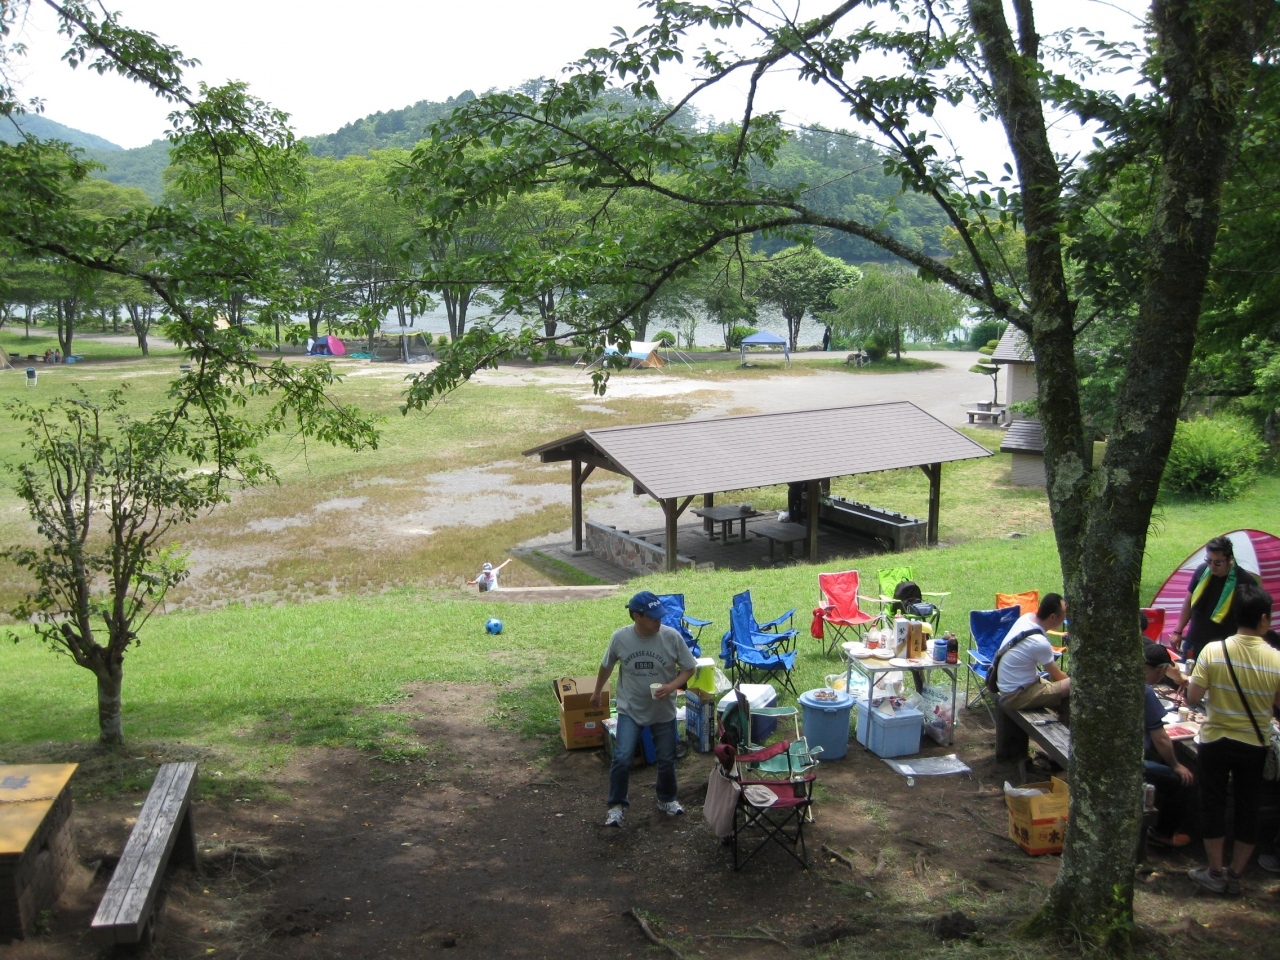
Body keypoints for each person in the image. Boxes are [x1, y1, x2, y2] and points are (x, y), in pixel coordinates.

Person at [1185, 582, 1280, 894]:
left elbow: (1193, 696)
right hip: (1254, 743)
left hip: (1215, 739)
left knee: (1212, 803)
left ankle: (1214, 871)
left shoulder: (1214, 651)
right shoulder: (1276, 660)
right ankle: (1236, 874)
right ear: (1264, 619)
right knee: (1247, 806)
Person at [590, 591, 697, 828]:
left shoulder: (671, 637)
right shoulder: (620, 638)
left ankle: (667, 799)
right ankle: (616, 806)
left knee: (667, 759)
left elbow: (690, 668)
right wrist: (597, 692)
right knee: (622, 757)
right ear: (637, 616)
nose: (659, 620)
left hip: (663, 710)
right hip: (630, 708)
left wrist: (671, 687)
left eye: (660, 615)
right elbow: (606, 665)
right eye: (653, 617)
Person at [1141, 643, 1195, 847]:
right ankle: (1162, 833)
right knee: (1179, 781)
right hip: (1125, 765)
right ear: (1161, 670)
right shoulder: (1145, 692)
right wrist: (1176, 765)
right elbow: (1161, 738)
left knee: (1157, 766)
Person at [1173, 535, 1259, 660]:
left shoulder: (1245, 582)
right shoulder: (1202, 571)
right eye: (1209, 561)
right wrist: (1177, 631)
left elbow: (1250, 620)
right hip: (1195, 641)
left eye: (1218, 562)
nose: (1212, 566)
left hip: (1224, 648)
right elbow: (1188, 601)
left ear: (1230, 559)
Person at [993, 593, 1071, 720]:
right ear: (1053, 617)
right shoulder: (1039, 642)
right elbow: (1057, 677)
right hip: (1016, 695)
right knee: (1073, 686)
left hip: (1011, 686)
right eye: (1063, 614)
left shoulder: (1027, 618)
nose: (1065, 618)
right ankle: (1064, 735)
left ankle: (1063, 728)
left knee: (1067, 699)